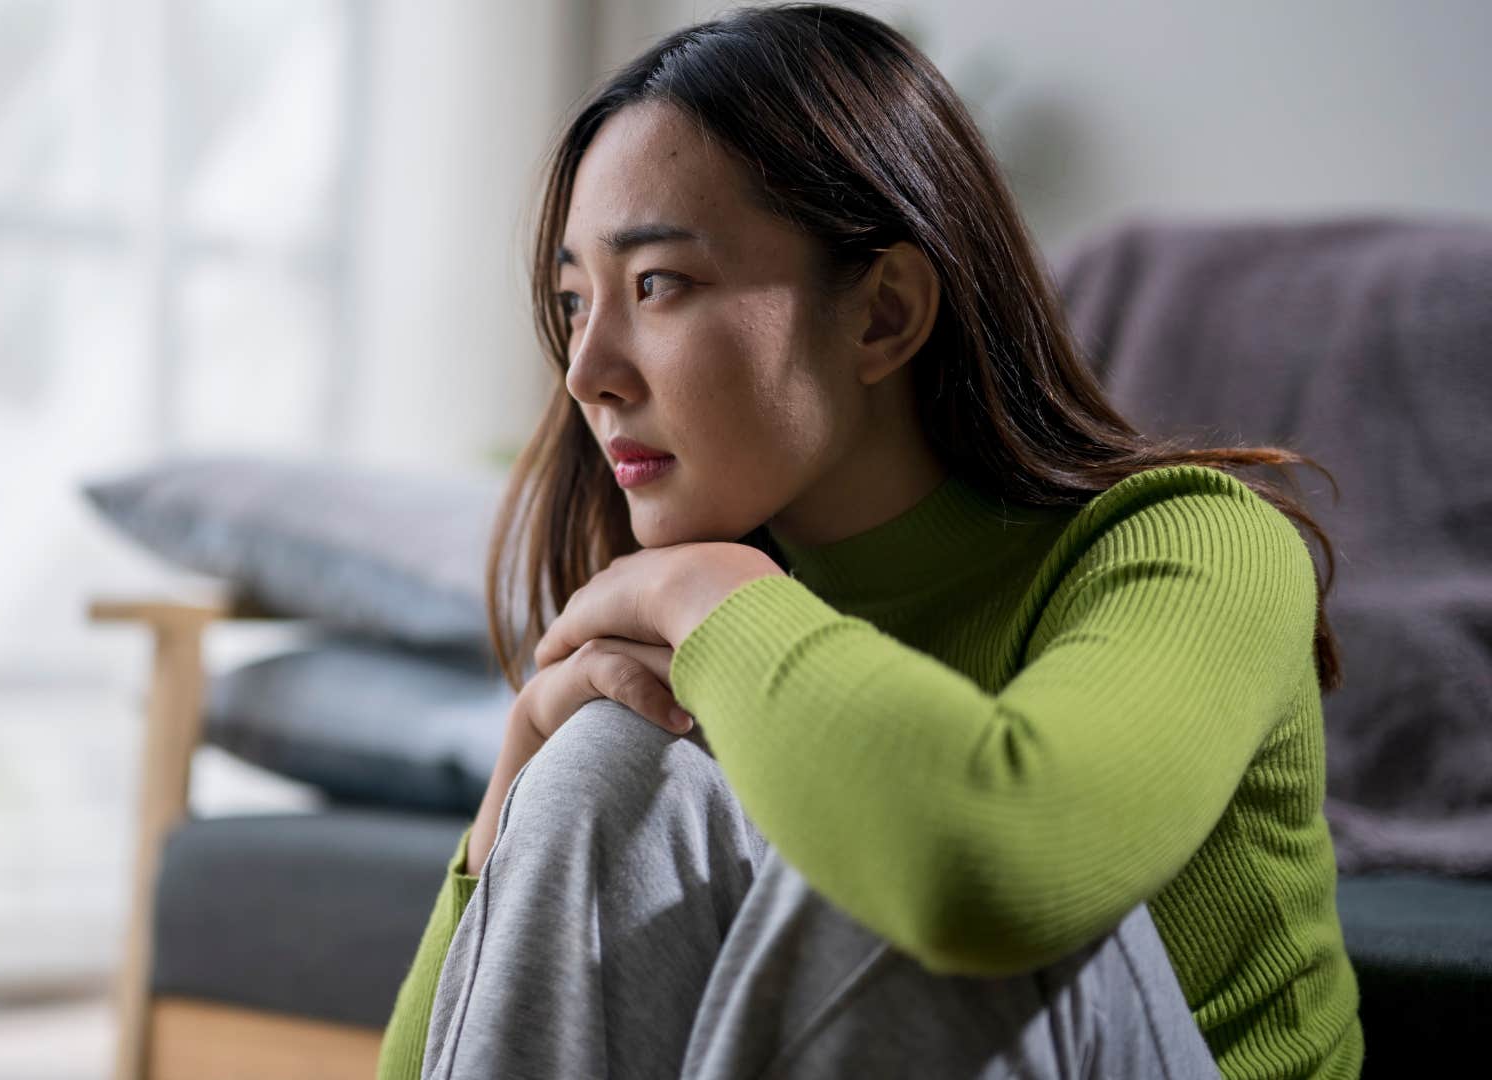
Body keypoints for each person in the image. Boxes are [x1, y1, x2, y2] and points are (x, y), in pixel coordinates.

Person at [378, 4, 1362, 1078]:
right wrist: (511, 800)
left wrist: (715, 594)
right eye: (574, 300)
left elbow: (987, 869)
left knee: (884, 847)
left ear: (884, 313)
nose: (586, 371)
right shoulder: (721, 659)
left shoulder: (1198, 548)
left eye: (659, 283)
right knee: (607, 759)